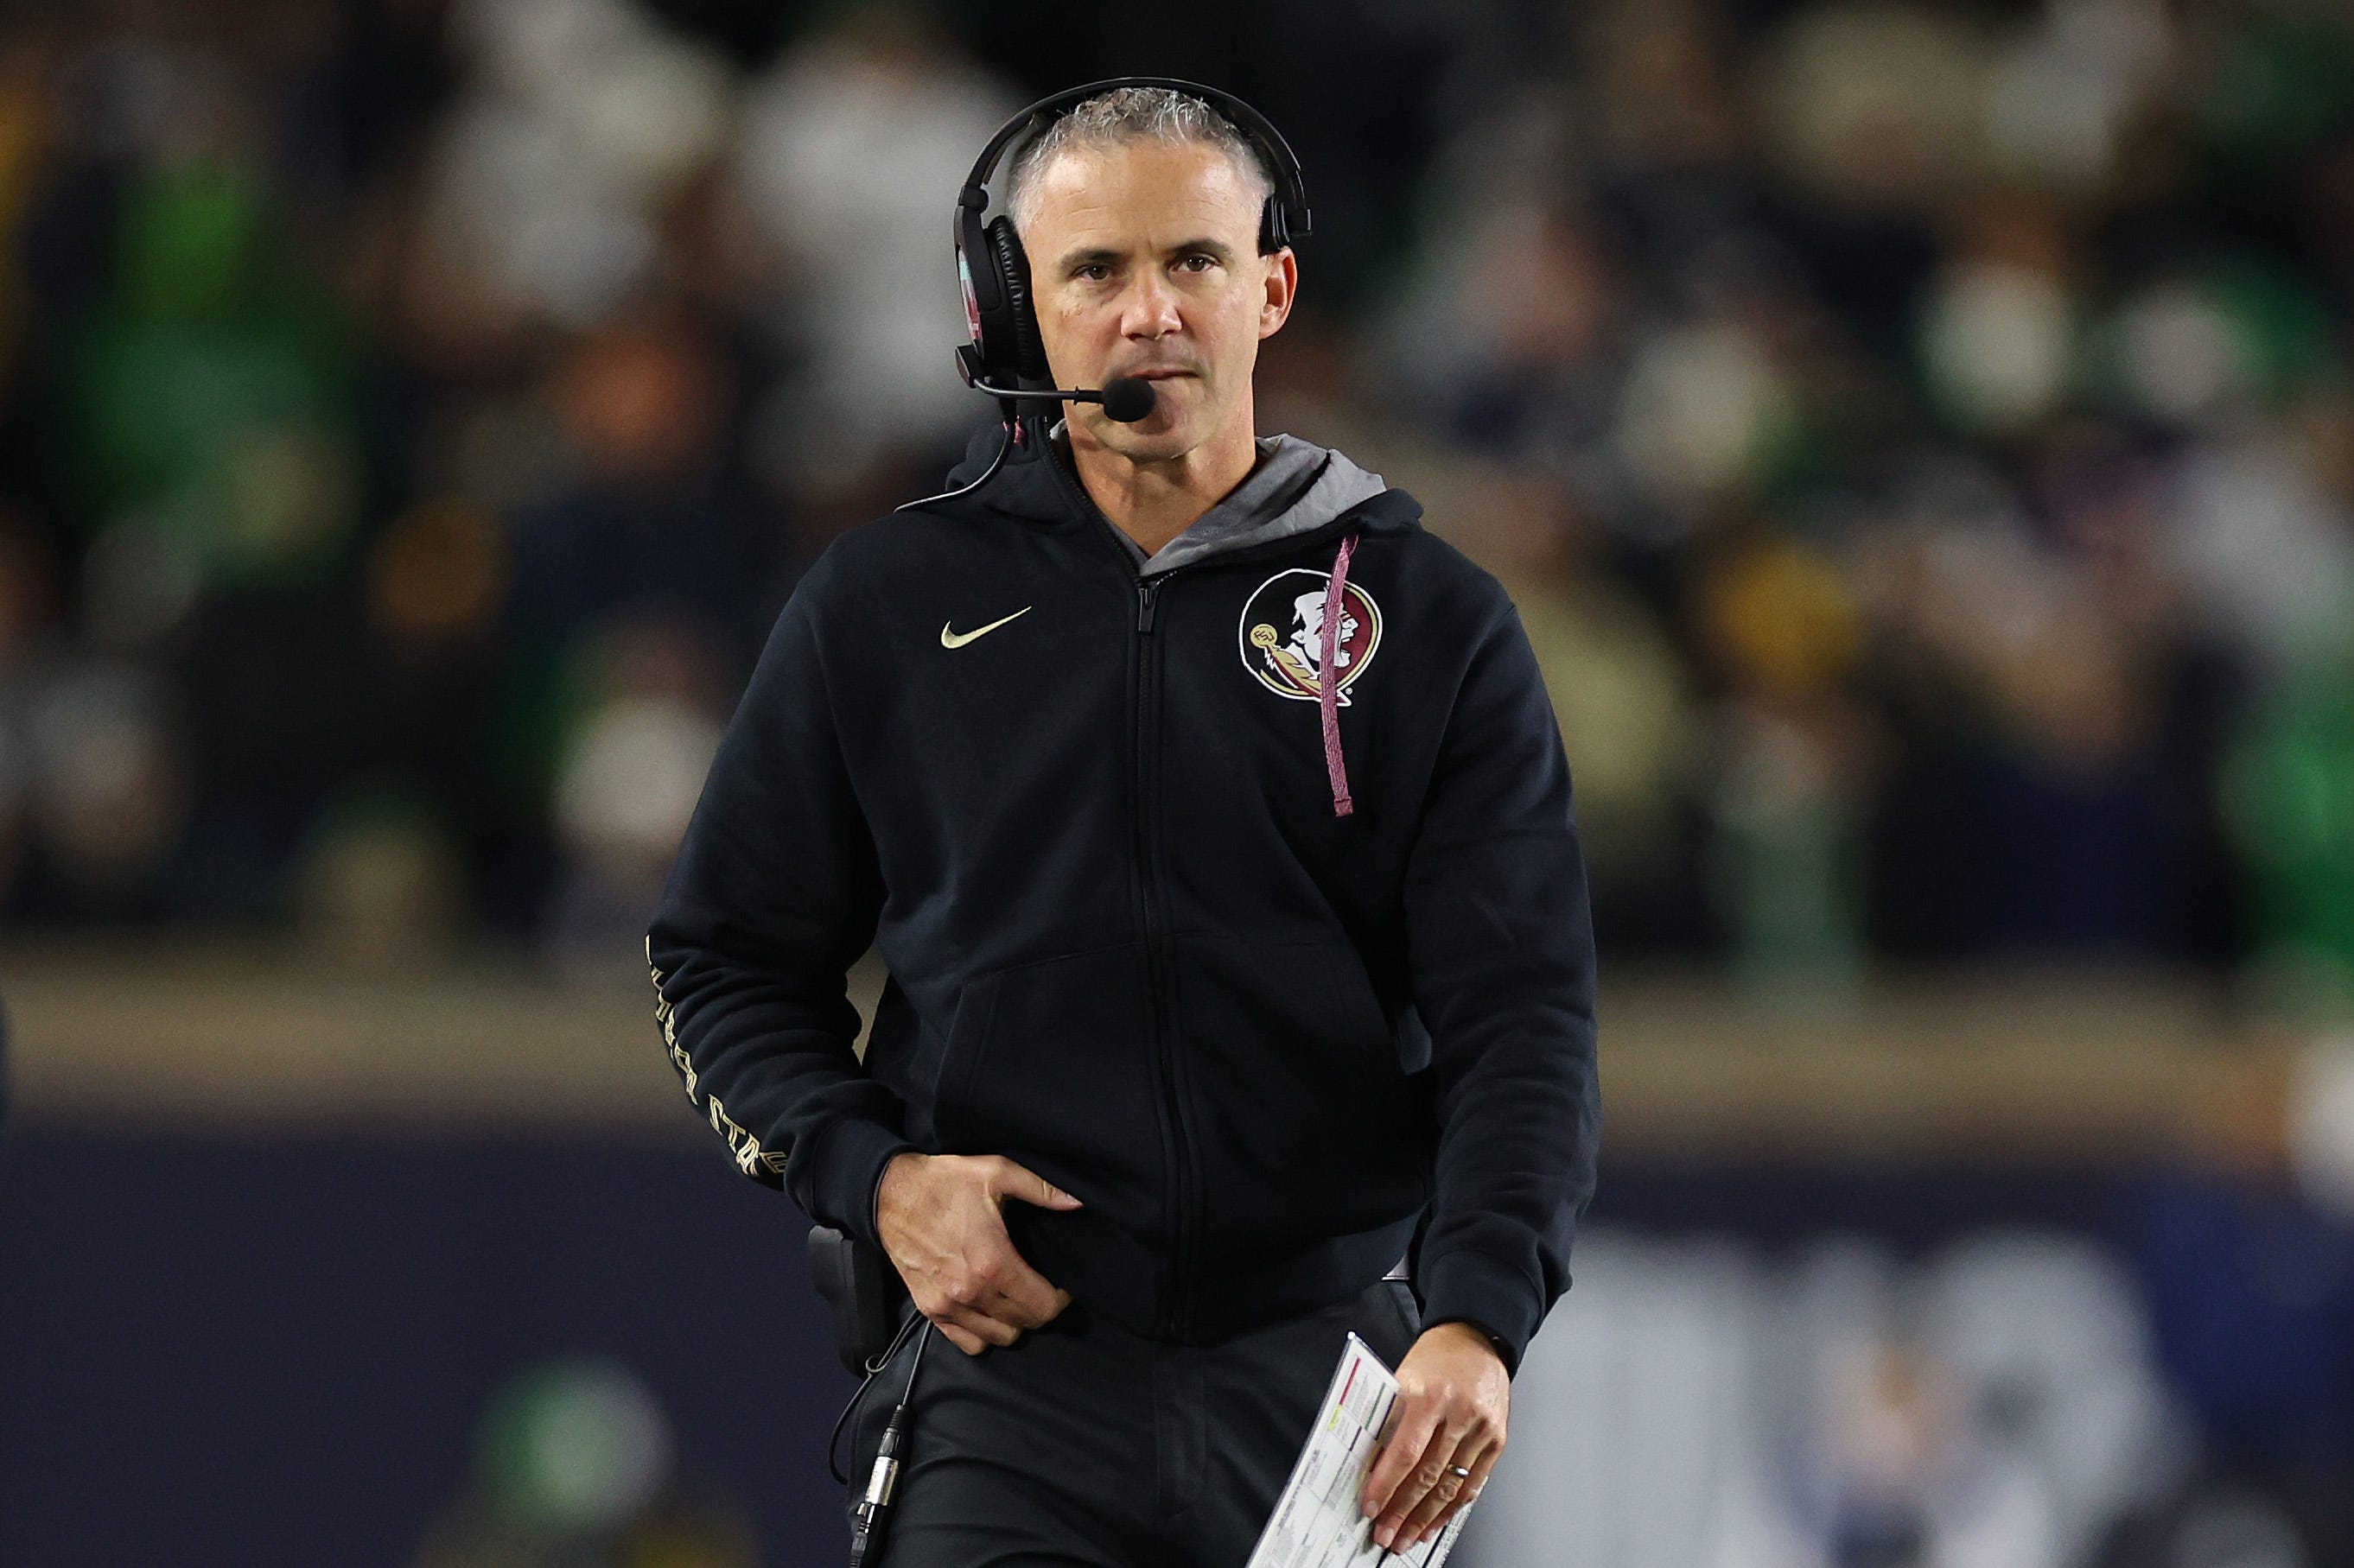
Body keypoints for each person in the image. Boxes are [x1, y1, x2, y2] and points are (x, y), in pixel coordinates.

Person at [646, 80, 1601, 1565]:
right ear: (1015, 312)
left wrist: (1479, 1318)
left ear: (1271, 290)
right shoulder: (886, 609)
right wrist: (877, 1178)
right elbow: (720, 960)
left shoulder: (1430, 623)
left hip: (1335, 1392)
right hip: (1007, 1380)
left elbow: (1522, 1016)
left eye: (1194, 261)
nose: (1152, 312)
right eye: (1096, 270)